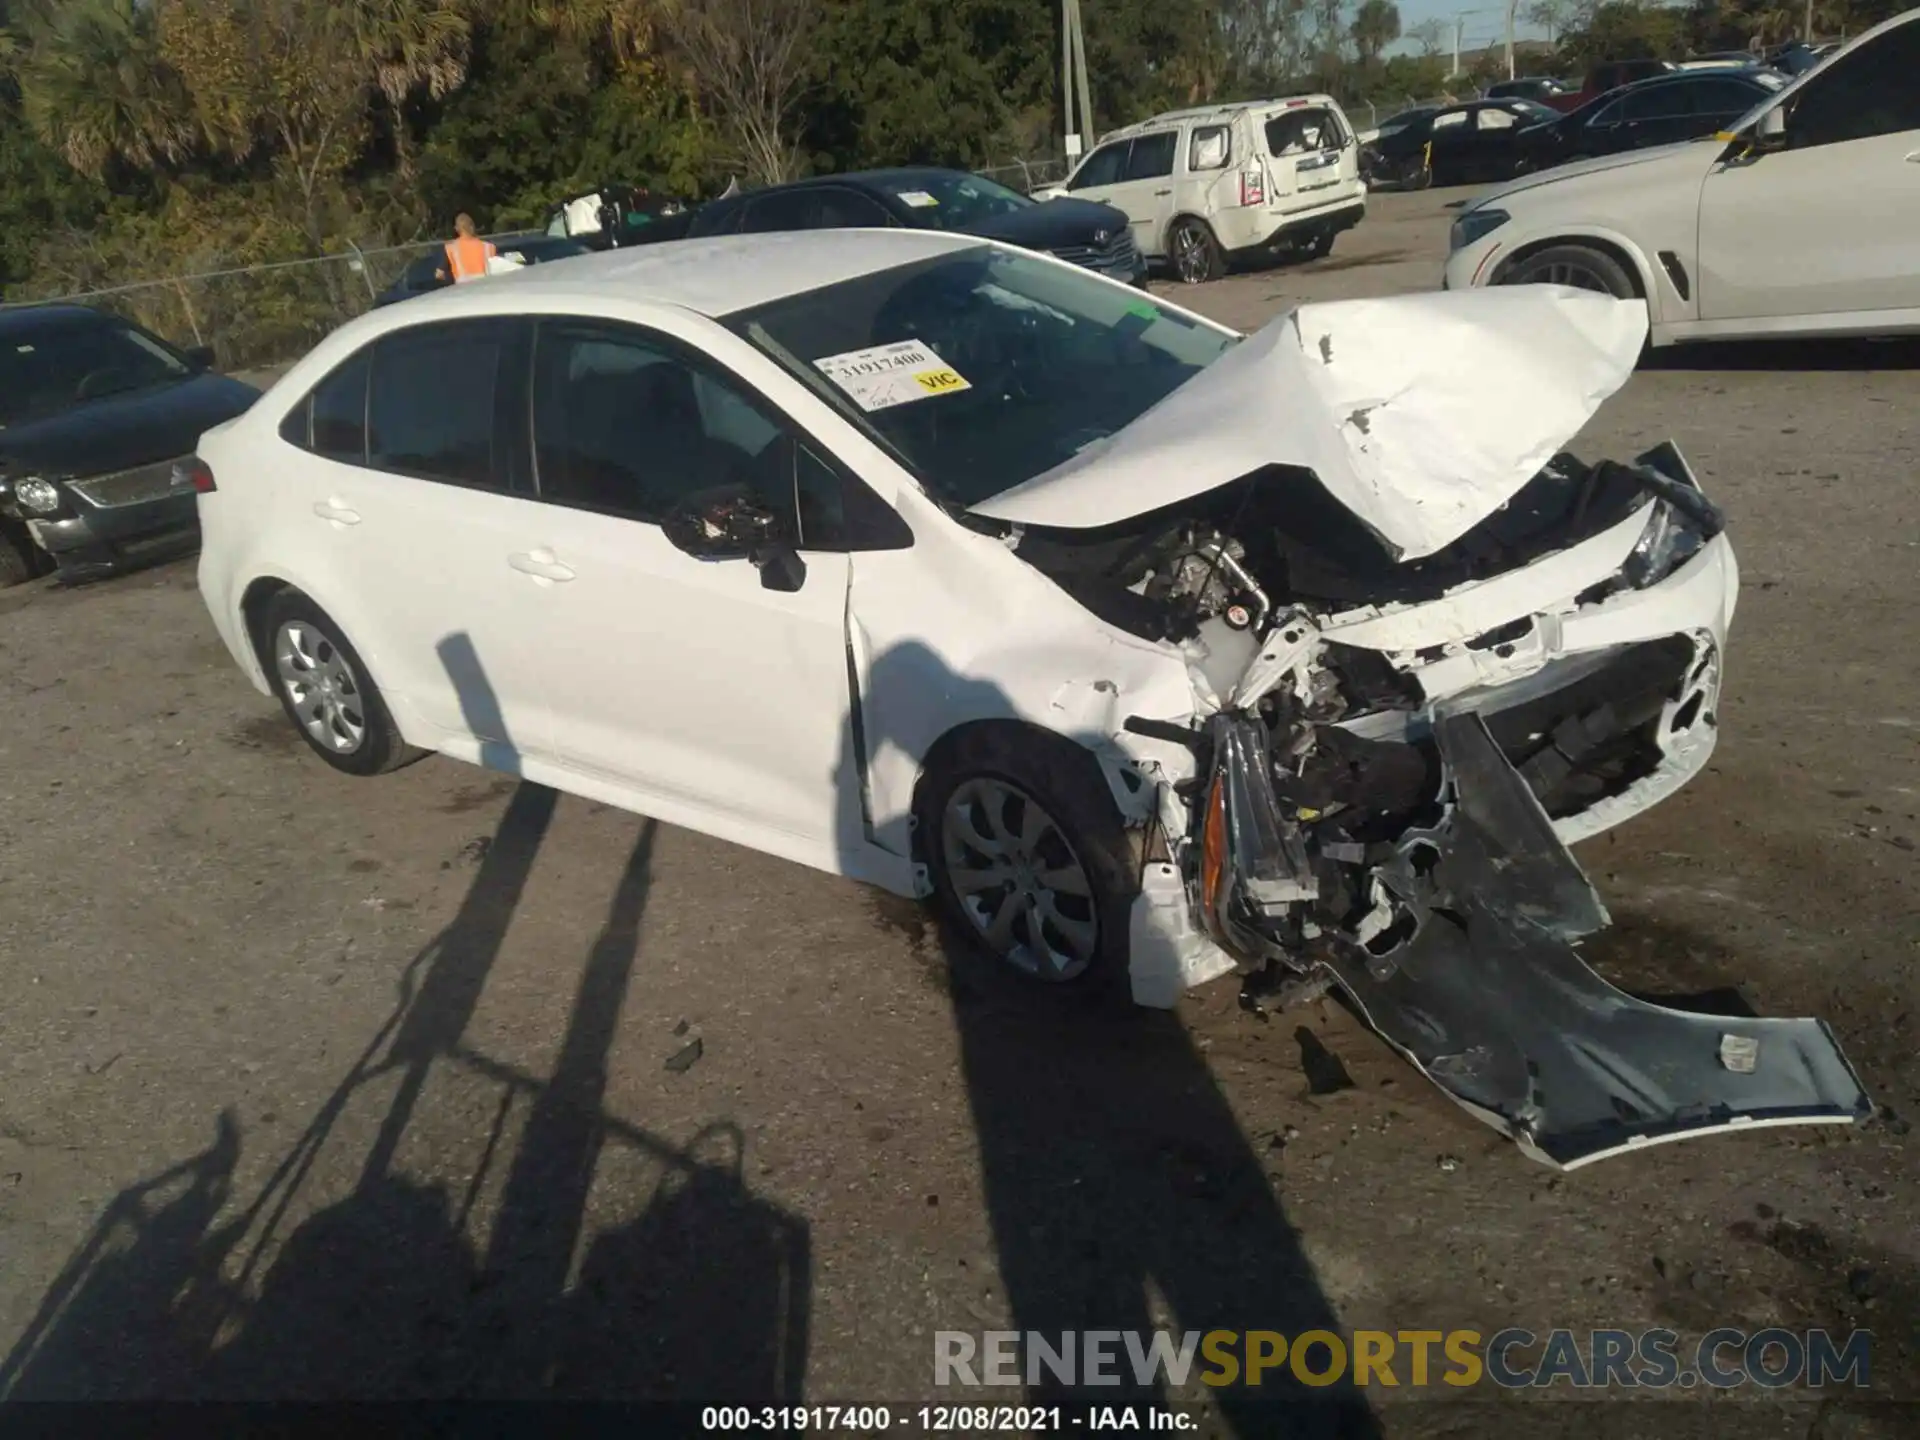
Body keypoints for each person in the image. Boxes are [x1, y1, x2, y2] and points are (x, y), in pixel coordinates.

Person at [437, 214, 497, 284]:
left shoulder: (451, 248)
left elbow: (439, 274)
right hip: (487, 287)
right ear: (473, 227)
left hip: (463, 289)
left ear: (457, 229)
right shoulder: (488, 247)